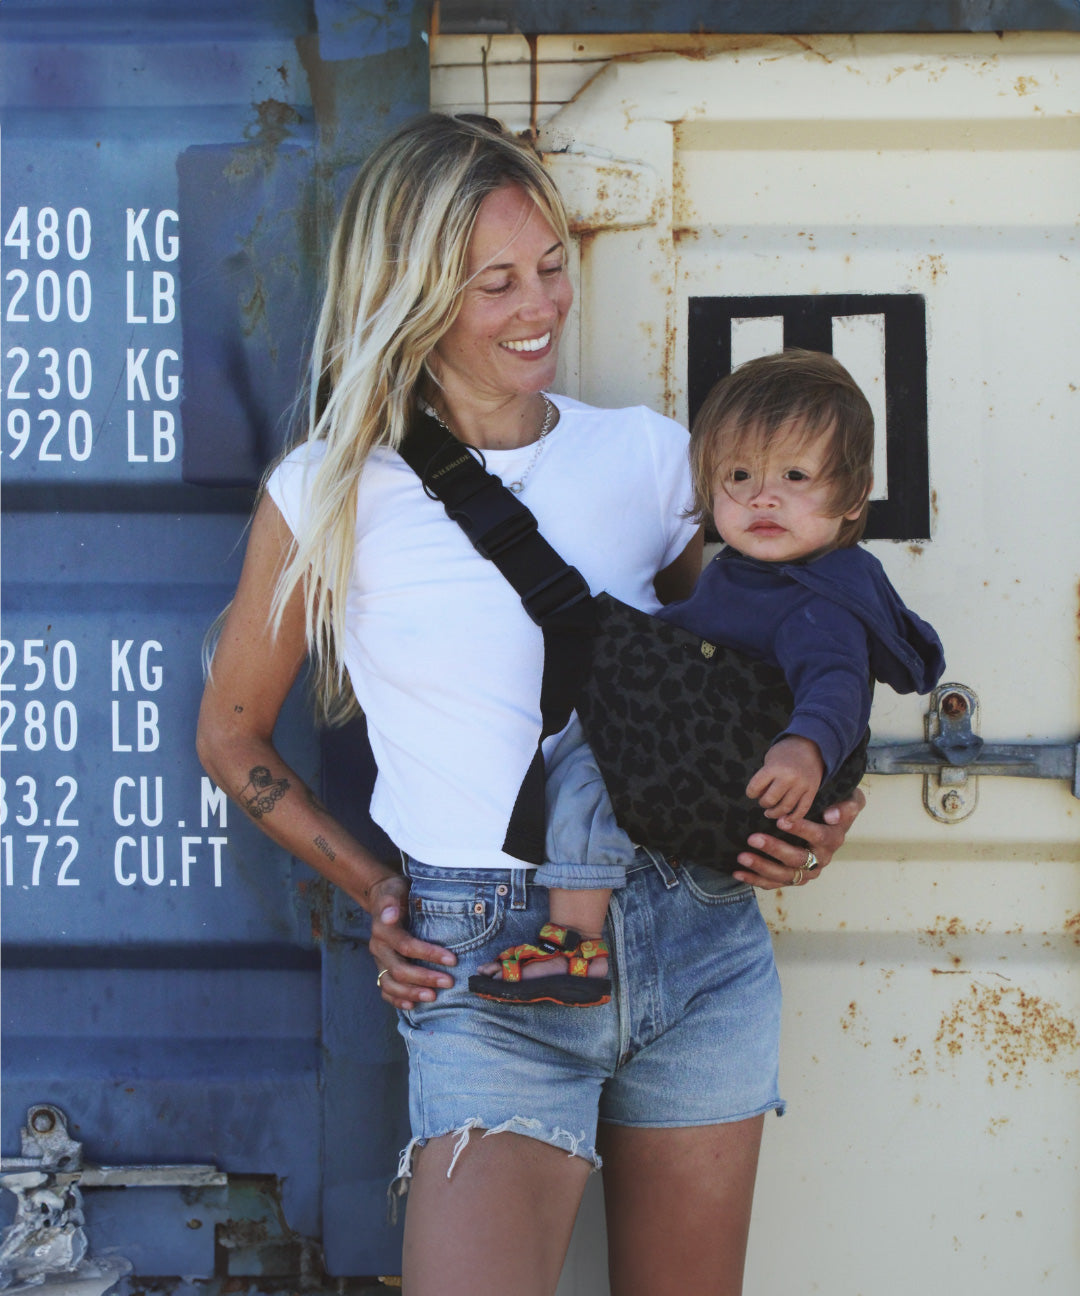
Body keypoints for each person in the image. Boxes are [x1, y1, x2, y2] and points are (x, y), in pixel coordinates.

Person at [196, 112, 864, 1296]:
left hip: (696, 938)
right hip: (483, 964)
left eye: (550, 267)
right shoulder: (332, 495)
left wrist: (806, 812)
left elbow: (749, 679)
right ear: (411, 297)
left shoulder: (656, 459)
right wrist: (378, 892)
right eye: (493, 282)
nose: (539, 305)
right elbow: (231, 733)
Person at [470, 349, 943, 1007]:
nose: (762, 495)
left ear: (854, 495)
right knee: (587, 763)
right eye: (739, 475)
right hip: (716, 765)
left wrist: (805, 746)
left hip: (746, 765)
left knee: (585, 772)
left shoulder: (821, 597)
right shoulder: (745, 572)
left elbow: (835, 680)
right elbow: (686, 634)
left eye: (795, 475)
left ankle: (573, 943)